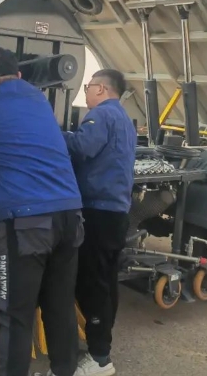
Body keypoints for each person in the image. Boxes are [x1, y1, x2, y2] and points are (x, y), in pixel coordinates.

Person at [0, 48, 84, 376]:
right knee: (59, 305)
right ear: (20, 75)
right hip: (70, 216)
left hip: (26, 223)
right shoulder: (39, 100)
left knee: (14, 313)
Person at [62, 69, 136, 376]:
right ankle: (100, 347)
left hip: (98, 212)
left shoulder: (101, 115)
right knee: (106, 282)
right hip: (115, 211)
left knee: (93, 283)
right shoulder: (123, 118)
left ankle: (99, 358)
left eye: (88, 87)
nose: (87, 92)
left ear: (102, 89)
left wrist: (53, 135)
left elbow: (82, 148)